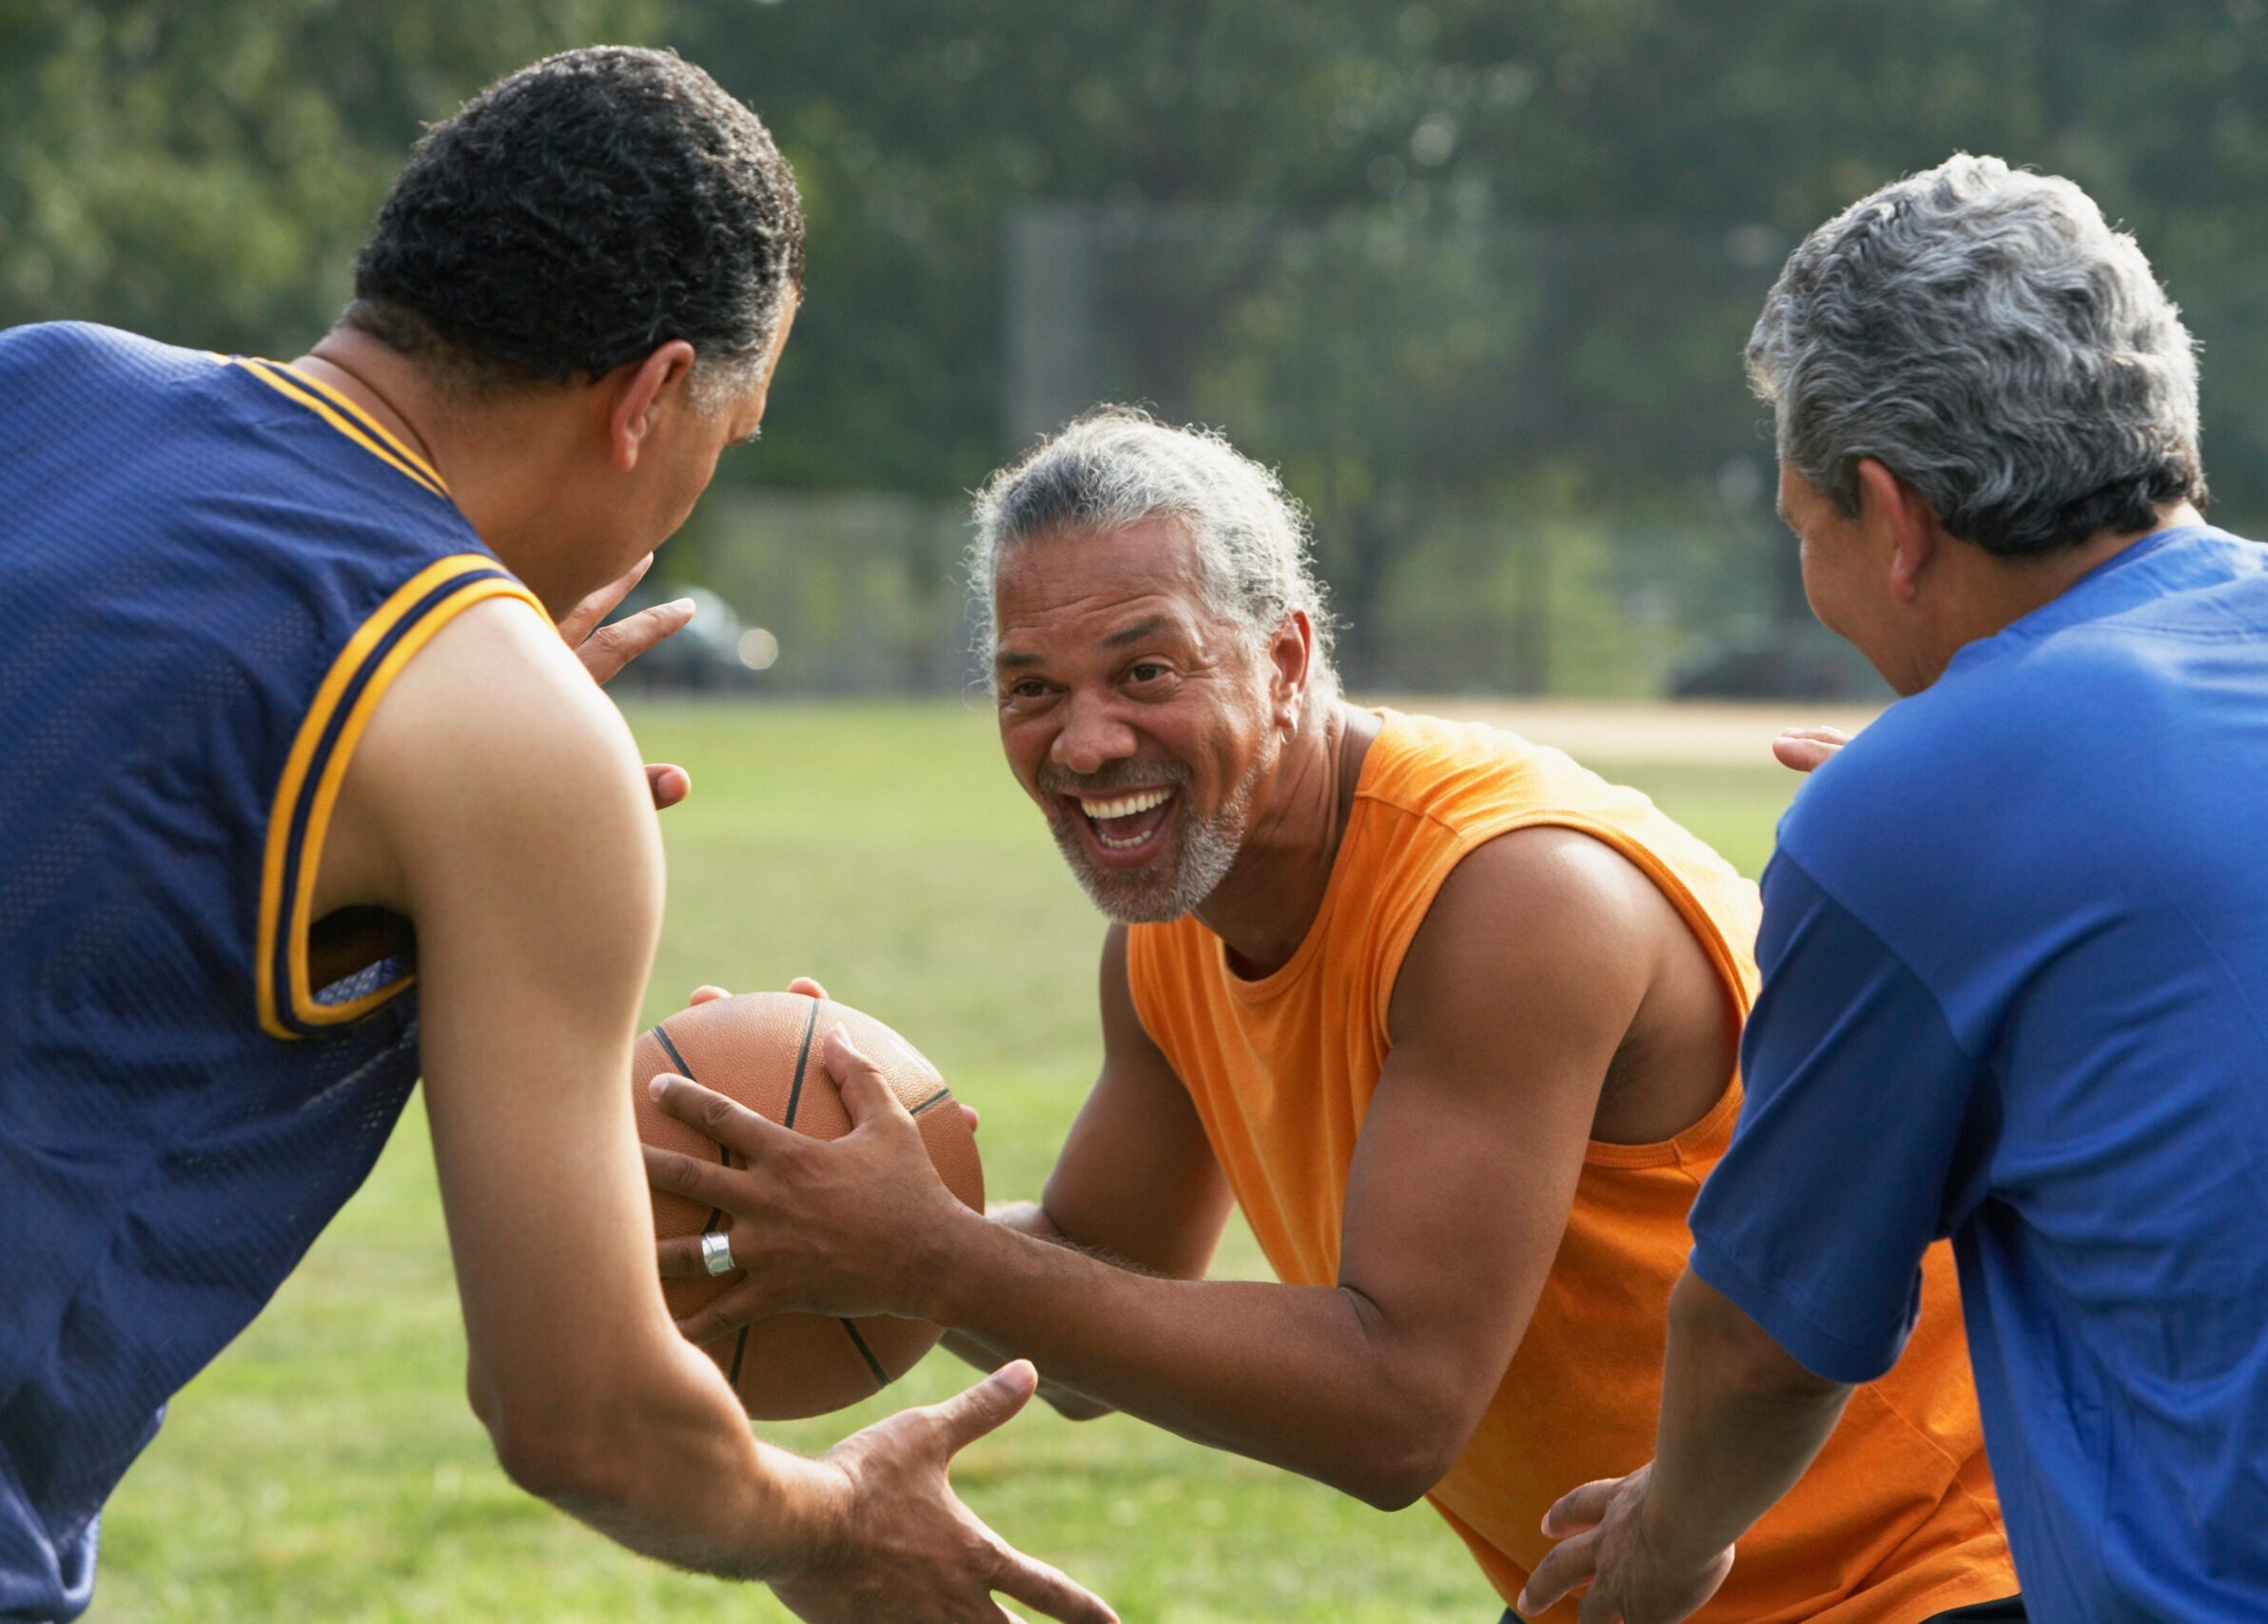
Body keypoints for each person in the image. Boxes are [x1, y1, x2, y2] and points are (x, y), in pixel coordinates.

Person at [0, 48, 1108, 1624]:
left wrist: (455, 732)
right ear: (653, 399)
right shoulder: (495, 728)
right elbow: (582, 1417)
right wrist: (830, 1521)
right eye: (732, 435)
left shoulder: (41, 378)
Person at [643, 409, 2023, 1621]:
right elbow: (1088, 1300)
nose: (1084, 742)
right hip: (1642, 1591)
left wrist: (921, 1256)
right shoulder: (1175, 939)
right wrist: (805, 1202)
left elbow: (1397, 1407)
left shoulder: (1509, 897)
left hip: (1945, 1571)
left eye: (1146, 672)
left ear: (1289, 658)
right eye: (1031, 690)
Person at [1517, 154, 2268, 1624]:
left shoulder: (1922, 811)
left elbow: (1767, 1345)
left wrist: (1667, 1546)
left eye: (1799, 524)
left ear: (1891, 518)